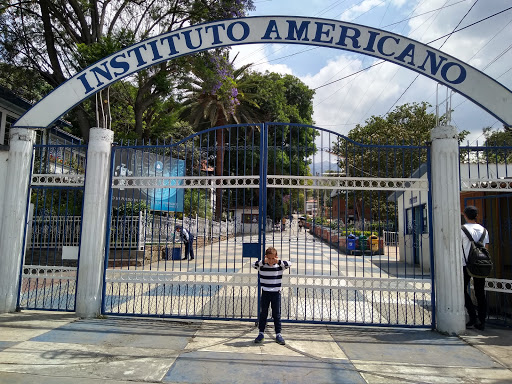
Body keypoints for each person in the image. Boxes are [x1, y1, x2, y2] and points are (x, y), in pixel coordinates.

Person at [253, 247, 291, 345]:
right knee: (263, 313)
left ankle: (278, 334)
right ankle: (261, 333)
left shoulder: (279, 266)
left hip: (275, 293)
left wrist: (278, 261)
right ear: (266, 257)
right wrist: (263, 261)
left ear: (276, 257)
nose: (270, 261)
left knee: (276, 314)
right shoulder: (262, 266)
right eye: (268, 258)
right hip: (265, 292)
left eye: (272, 258)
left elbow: (289, 264)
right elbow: (253, 264)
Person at [461, 205, 489, 331]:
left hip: (465, 264)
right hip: (480, 264)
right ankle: (482, 321)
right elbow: (485, 248)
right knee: (480, 293)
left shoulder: (462, 230)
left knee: (461, 291)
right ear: (476, 215)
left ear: (465, 215)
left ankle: (473, 317)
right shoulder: (484, 230)